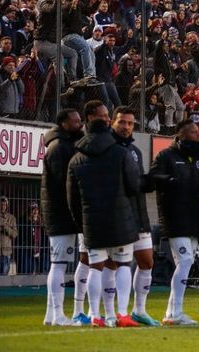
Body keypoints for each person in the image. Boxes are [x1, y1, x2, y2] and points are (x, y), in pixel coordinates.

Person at [67, 111, 141, 328]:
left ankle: (94, 315)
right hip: (120, 219)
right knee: (123, 265)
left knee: (95, 267)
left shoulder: (76, 158)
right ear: (108, 129)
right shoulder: (121, 153)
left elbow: (72, 198)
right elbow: (133, 185)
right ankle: (120, 314)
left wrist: (82, 224)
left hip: (92, 222)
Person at [150, 119, 199, 326]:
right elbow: (153, 178)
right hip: (173, 217)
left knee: (185, 263)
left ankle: (172, 312)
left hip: (194, 218)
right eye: (194, 132)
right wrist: (169, 181)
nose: (198, 134)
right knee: (185, 261)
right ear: (181, 135)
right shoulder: (166, 155)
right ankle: (174, 313)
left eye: (198, 131)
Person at [110, 106, 159, 326]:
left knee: (147, 261)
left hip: (139, 214)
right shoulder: (108, 148)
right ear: (113, 122)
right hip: (120, 214)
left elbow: (136, 183)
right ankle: (116, 313)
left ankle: (139, 310)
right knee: (115, 264)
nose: (126, 127)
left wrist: (151, 181)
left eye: (130, 124)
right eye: (122, 122)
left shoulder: (135, 151)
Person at [70, 100, 111, 326]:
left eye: (107, 115)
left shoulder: (103, 141)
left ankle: (93, 311)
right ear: (90, 118)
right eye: (102, 116)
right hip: (89, 214)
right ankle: (80, 311)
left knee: (98, 262)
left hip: (102, 214)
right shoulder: (83, 144)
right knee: (87, 261)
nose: (107, 119)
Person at [41, 108, 83, 326]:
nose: (80, 124)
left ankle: (51, 315)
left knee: (59, 263)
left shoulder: (61, 145)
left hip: (59, 214)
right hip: (60, 214)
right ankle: (57, 314)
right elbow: (63, 183)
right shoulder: (59, 149)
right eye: (76, 121)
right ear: (65, 123)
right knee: (59, 264)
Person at [0, 197, 18, 275]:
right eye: (1, 204)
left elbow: (15, 234)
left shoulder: (12, 218)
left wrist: (5, 227)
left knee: (4, 276)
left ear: (7, 206)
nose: (2, 206)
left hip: (6, 252)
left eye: (4, 205)